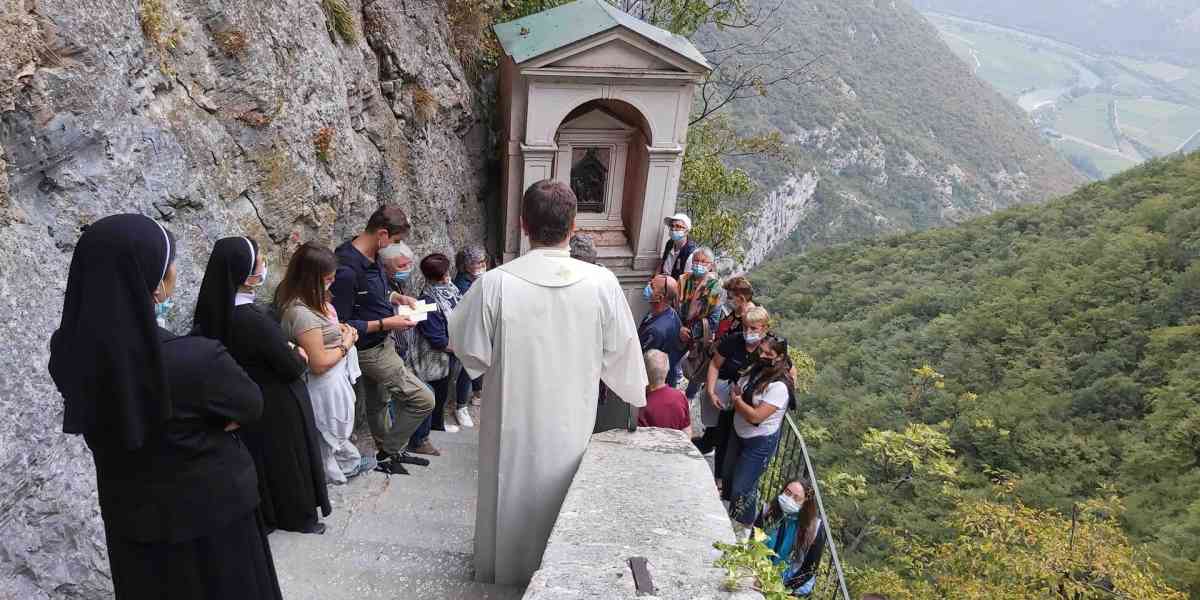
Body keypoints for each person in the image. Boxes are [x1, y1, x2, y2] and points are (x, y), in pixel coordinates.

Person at [48, 214, 282, 600]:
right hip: (213, 516)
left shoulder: (67, 353)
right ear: (155, 283)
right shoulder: (196, 360)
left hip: (130, 514)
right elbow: (251, 405)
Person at [449, 179, 648, 585]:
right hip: (570, 422)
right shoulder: (602, 284)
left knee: (508, 492)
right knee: (561, 499)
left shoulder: (494, 283)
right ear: (573, 226)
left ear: (523, 224)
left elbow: (468, 350)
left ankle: (500, 571)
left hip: (511, 420)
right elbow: (624, 358)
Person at [192, 237, 331, 534]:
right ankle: (297, 517)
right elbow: (291, 363)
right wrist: (297, 353)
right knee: (288, 462)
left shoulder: (213, 310)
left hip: (245, 397)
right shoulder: (252, 319)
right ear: (245, 274)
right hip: (277, 398)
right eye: (259, 263)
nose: (264, 267)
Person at [332, 206, 435, 475]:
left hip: (380, 341)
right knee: (424, 399)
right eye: (396, 240)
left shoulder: (372, 254)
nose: (395, 247)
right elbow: (338, 324)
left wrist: (396, 298)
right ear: (382, 234)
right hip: (368, 350)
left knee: (378, 402)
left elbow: (373, 293)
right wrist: (386, 323)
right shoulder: (345, 268)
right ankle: (388, 451)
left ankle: (388, 452)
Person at [277, 243, 372, 485]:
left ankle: (343, 465)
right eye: (327, 278)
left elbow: (324, 330)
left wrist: (339, 330)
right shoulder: (301, 313)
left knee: (333, 434)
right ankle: (326, 477)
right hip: (321, 385)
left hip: (333, 381)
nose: (331, 282)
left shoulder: (314, 301)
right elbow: (318, 363)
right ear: (310, 278)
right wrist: (346, 343)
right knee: (325, 436)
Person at [724, 334, 793, 531]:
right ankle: (736, 517)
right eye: (761, 350)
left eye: (768, 353)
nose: (762, 355)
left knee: (742, 487)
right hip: (739, 432)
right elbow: (739, 386)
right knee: (732, 477)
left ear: (779, 357)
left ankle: (744, 527)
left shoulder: (779, 386)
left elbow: (756, 417)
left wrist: (737, 401)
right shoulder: (757, 369)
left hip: (759, 442)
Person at [696, 306, 771, 474]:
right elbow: (715, 365)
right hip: (728, 398)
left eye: (753, 328)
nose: (748, 331)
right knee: (722, 436)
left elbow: (787, 370)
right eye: (745, 327)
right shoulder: (733, 341)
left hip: (751, 405)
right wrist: (711, 391)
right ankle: (720, 477)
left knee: (739, 442)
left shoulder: (770, 348)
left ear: (764, 328)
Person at [406, 253, 469, 456]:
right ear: (442, 275)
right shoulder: (427, 300)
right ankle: (424, 435)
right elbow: (438, 340)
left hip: (448, 355)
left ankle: (437, 427)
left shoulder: (448, 289)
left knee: (442, 393)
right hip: (433, 359)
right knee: (433, 394)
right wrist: (464, 347)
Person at [755, 480, 827, 595]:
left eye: (796, 498)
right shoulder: (768, 511)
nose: (789, 499)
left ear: (805, 502)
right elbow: (753, 542)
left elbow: (809, 570)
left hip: (793, 586)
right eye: (787, 493)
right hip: (762, 573)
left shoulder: (815, 528)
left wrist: (781, 588)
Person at [677, 246, 723, 395]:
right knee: (672, 361)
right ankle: (671, 389)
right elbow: (675, 306)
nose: (699, 264)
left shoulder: (714, 287)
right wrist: (679, 328)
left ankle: (689, 396)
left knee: (697, 368)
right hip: (680, 328)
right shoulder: (684, 280)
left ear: (710, 265)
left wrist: (690, 332)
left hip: (700, 335)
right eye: (696, 260)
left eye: (704, 262)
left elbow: (713, 320)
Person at [453, 245, 488, 410]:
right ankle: (461, 405)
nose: (481, 266)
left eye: (483, 262)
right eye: (477, 263)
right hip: (468, 330)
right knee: (468, 367)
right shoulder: (461, 283)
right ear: (466, 265)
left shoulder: (474, 279)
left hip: (477, 327)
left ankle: (477, 393)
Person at [639, 274, 685, 388]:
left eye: (652, 287)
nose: (647, 287)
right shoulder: (668, 311)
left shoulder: (656, 330)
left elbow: (643, 362)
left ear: (660, 298)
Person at [638, 350, 692, 435]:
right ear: (667, 370)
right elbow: (687, 431)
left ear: (643, 372)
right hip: (677, 446)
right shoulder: (680, 397)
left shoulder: (642, 406)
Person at [659, 212, 697, 280]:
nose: (673, 228)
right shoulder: (670, 243)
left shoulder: (690, 252)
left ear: (686, 231)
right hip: (662, 281)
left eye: (678, 226)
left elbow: (685, 279)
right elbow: (662, 262)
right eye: (672, 226)